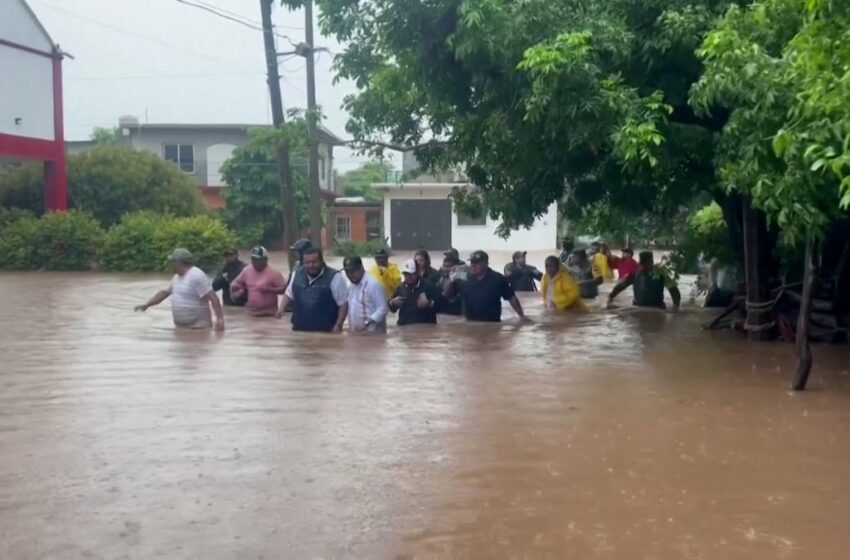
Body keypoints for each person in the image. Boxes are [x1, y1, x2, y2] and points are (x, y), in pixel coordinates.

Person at [135, 248, 225, 330]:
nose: (171, 264)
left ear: (178, 262)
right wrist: (147, 305)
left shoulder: (197, 275)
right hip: (181, 329)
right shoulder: (176, 277)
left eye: (172, 261)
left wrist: (220, 319)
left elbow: (213, 298)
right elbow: (164, 293)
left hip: (198, 328)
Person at [443, 250, 529, 322]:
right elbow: (446, 295)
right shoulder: (463, 278)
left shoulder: (497, 279)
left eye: (477, 263)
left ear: (486, 263)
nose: (473, 265)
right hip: (470, 324)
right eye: (472, 262)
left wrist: (521, 316)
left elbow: (511, 297)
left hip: (493, 324)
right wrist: (451, 280)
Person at [277, 248, 348, 332]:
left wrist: (338, 325)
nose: (310, 265)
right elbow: (289, 294)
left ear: (321, 261)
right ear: (303, 263)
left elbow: (343, 304)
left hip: (326, 332)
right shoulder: (296, 274)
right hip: (298, 330)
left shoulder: (335, 277)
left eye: (314, 262)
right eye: (307, 263)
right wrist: (281, 309)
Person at [607, 251, 681, 310]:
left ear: (652, 262)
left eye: (647, 263)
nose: (645, 266)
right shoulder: (634, 275)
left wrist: (675, 307)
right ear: (640, 263)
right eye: (643, 264)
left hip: (658, 308)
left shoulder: (661, 275)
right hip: (637, 308)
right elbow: (620, 286)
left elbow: (674, 290)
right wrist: (610, 298)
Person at [229, 246, 286, 317]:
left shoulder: (274, 273)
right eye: (253, 259)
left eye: (257, 259)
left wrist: (270, 289)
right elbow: (234, 285)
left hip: (269, 315)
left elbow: (285, 290)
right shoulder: (246, 271)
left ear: (265, 259)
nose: (254, 262)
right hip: (251, 314)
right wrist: (240, 292)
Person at [343, 256, 389, 334]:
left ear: (361, 268)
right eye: (347, 272)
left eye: (353, 271)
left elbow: (383, 309)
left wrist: (367, 323)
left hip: (373, 334)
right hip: (356, 333)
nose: (350, 275)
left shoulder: (373, 284)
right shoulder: (349, 284)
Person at [390, 259, 440, 326]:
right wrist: (392, 303)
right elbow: (392, 310)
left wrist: (429, 303)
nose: (408, 277)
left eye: (411, 274)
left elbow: (441, 306)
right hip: (405, 327)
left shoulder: (429, 286)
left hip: (426, 328)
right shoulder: (400, 288)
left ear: (417, 273)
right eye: (406, 274)